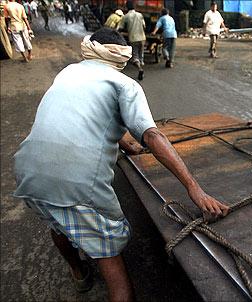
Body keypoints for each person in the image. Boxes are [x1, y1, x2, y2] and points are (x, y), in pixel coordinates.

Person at [13, 27, 229, 301]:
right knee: (112, 264)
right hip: (76, 181)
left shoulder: (69, 72)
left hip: (27, 171)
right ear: (121, 59)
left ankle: (78, 272)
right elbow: (151, 134)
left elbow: (86, 117)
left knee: (58, 222)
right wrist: (194, 189)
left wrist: (127, 144)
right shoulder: (124, 84)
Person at [119, 0, 146, 80]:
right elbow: (144, 26)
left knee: (135, 56)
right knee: (141, 55)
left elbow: (120, 28)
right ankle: (141, 63)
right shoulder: (140, 15)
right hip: (142, 38)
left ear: (127, 7)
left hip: (133, 38)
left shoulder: (126, 16)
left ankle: (140, 69)